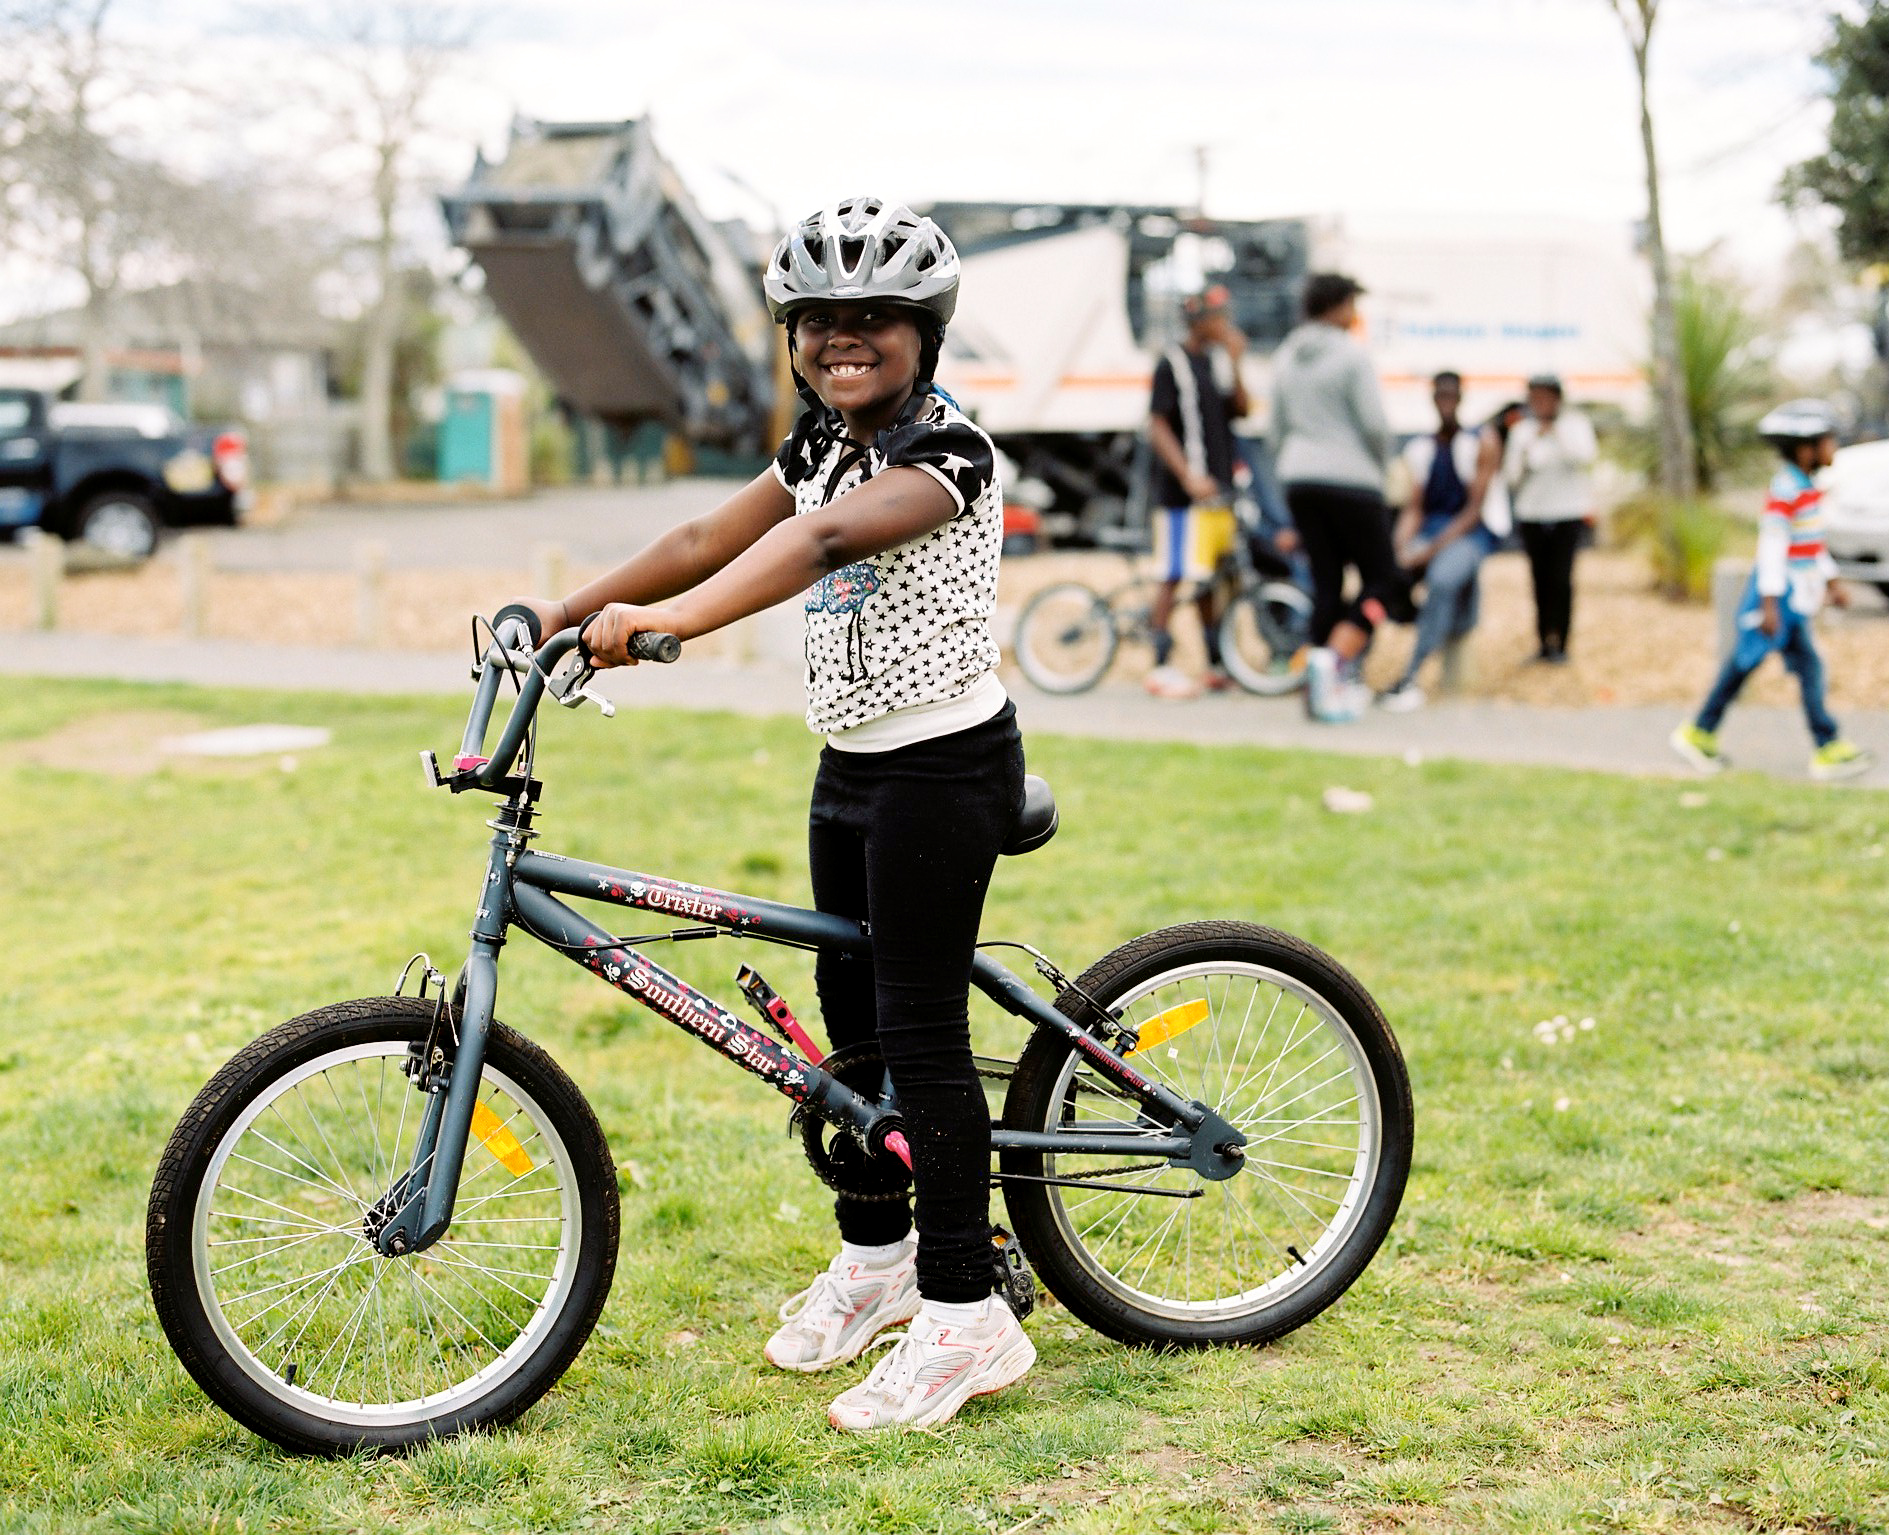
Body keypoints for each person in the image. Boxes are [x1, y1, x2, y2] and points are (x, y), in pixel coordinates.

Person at [508, 197, 1036, 1431]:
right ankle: (879, 1261)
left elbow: (825, 544)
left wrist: (670, 631)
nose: (844, 341)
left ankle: (967, 1318)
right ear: (791, 336)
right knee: (844, 1052)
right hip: (850, 767)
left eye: (874, 322)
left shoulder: (948, 453)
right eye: (818, 322)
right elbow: (706, 532)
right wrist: (558, 613)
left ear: (924, 334)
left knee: (919, 1034)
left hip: (943, 768)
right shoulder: (818, 444)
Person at [1671, 398, 1875, 782]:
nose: (1834, 449)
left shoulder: (1805, 487)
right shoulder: (1785, 490)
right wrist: (1768, 605)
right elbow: (1772, 548)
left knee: (1804, 668)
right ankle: (1699, 731)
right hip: (1776, 599)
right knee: (1742, 666)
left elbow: (1809, 545)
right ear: (1806, 448)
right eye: (1829, 441)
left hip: (1793, 600)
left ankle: (1827, 745)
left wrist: (1831, 583)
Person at [1271, 271, 1398, 722]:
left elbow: (1276, 428)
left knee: (1327, 583)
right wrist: (1384, 467)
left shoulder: (1286, 356)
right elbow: (1374, 425)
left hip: (1300, 479)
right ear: (1338, 306)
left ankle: (1318, 691)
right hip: (1353, 481)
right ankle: (1334, 662)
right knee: (1384, 581)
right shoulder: (1351, 356)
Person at [1378, 379, 1514, 710]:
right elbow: (1415, 508)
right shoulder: (1421, 448)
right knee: (1382, 578)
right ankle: (1349, 667)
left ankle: (1410, 676)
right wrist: (1400, 547)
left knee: (1442, 579)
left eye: (1451, 395)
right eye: (1441, 395)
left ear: (1461, 398)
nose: (1446, 402)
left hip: (1469, 534)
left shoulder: (1479, 441)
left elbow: (1473, 510)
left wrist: (1430, 550)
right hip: (1432, 531)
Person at [1144, 284, 1250, 698]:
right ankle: (1159, 663)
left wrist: (1237, 364)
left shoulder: (1215, 363)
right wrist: (1188, 475)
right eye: (1219, 318)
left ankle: (1214, 662)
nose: (1226, 326)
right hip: (1183, 492)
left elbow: (1240, 410)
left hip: (1217, 491)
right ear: (1201, 321)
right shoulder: (1172, 362)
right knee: (1173, 573)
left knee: (1211, 577)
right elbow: (1158, 423)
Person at [1503, 374, 1596, 663]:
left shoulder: (1575, 426)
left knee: (1562, 579)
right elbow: (1511, 476)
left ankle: (1563, 643)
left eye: (1546, 397)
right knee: (1539, 580)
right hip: (1533, 515)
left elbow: (1585, 458)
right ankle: (1543, 642)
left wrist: (1555, 434)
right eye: (1535, 398)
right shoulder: (1522, 432)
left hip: (1566, 515)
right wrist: (1530, 448)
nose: (1540, 404)